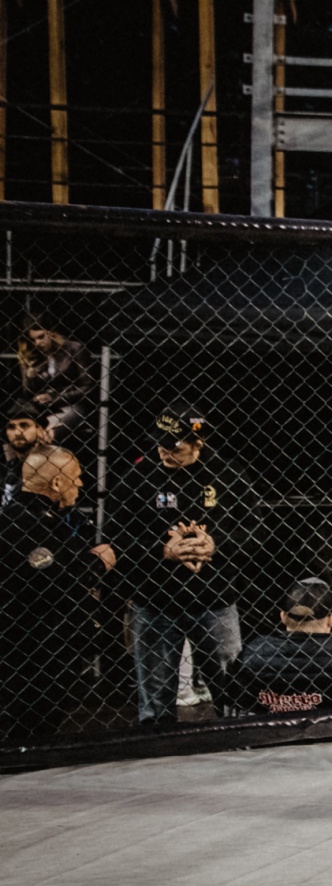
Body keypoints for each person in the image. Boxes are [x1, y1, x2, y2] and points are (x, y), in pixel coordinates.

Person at [107, 408, 251, 724]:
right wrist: (162, 550)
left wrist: (215, 544)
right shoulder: (138, 476)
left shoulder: (227, 474)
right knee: (155, 700)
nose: (164, 451)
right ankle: (156, 745)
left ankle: (237, 741)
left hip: (214, 597)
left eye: (174, 445)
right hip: (156, 598)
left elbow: (257, 530)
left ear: (198, 442)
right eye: (160, 443)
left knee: (232, 690)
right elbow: (114, 537)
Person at [0, 430, 112, 743]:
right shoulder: (20, 523)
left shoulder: (49, 519)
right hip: (28, 648)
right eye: (76, 477)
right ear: (57, 483)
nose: (81, 484)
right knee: (26, 721)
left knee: (41, 720)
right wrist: (96, 564)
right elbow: (53, 579)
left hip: (46, 644)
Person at [234, 577, 332, 716]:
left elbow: (238, 700)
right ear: (330, 620)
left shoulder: (253, 651)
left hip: (271, 731)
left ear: (283, 616)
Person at [14, 318, 94, 451]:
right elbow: (27, 393)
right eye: (32, 340)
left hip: (70, 404)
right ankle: (12, 462)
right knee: (10, 429)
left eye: (41, 337)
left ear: (52, 333)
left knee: (47, 435)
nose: (37, 343)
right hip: (41, 407)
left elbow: (88, 386)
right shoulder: (34, 355)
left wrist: (54, 397)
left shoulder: (73, 349)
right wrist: (28, 373)